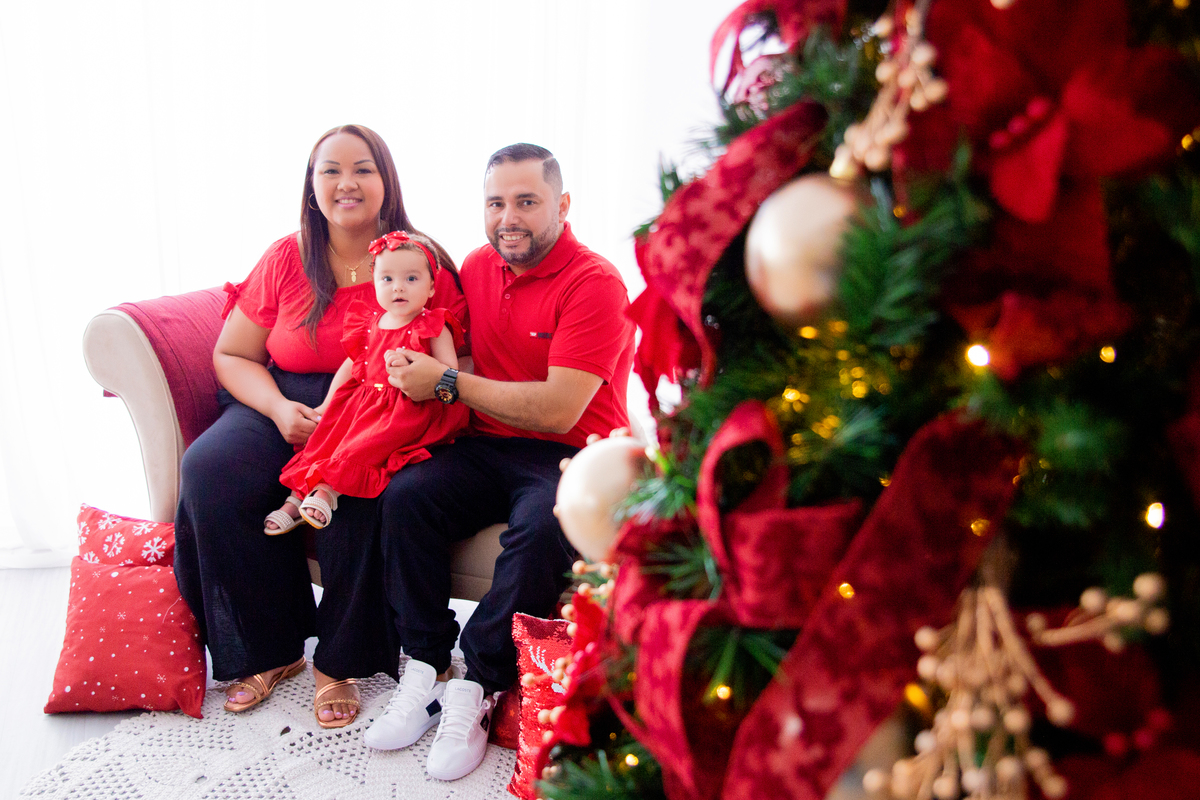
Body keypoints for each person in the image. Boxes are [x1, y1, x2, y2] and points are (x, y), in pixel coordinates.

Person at [173, 124, 465, 730]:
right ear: (312, 186)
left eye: (362, 169)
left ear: (387, 181)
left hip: (384, 405)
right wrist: (279, 409)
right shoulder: (287, 256)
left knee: (356, 489)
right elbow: (232, 354)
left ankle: (340, 661)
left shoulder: (421, 258)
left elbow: (455, 366)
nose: (346, 183)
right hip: (286, 397)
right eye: (330, 170)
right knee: (209, 470)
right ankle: (269, 650)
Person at [363, 143, 636, 781]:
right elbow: (425, 323)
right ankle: (427, 667)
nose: (507, 218)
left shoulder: (596, 283)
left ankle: (480, 684)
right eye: (495, 203)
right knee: (405, 496)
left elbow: (559, 411)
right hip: (486, 441)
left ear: (562, 207)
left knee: (541, 527)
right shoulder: (477, 266)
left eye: (526, 201)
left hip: (571, 452)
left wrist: (446, 383)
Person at [265, 230, 468, 534]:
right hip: (364, 402)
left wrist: (417, 367)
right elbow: (352, 365)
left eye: (411, 278)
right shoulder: (371, 321)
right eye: (387, 279)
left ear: (431, 287)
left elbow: (449, 372)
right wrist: (327, 406)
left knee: (363, 445)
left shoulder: (433, 325)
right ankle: (295, 498)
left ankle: (328, 492)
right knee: (326, 439)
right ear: (374, 283)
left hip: (406, 409)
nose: (398, 287)